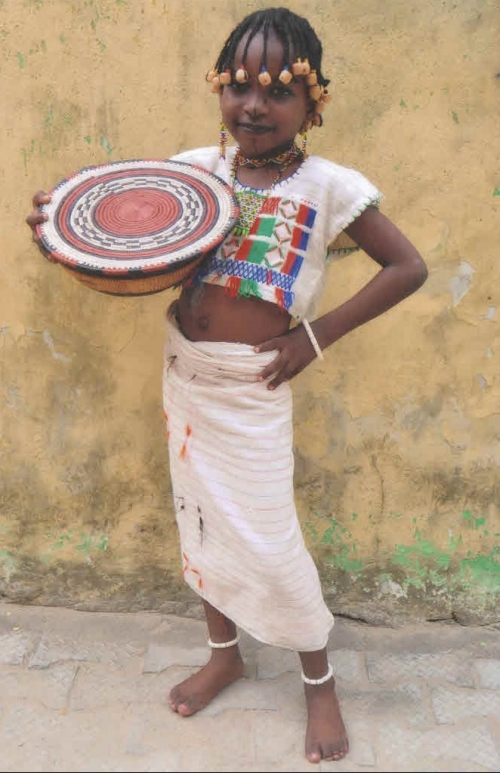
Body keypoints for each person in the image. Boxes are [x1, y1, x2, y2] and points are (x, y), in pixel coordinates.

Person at [26, 6, 428, 764]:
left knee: (271, 540)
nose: (254, 105)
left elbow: (408, 267)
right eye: (239, 85)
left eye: (279, 91)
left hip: (254, 387)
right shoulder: (192, 170)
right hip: (186, 373)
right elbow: (124, 226)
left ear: (314, 103)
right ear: (219, 89)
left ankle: (319, 682)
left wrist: (313, 338)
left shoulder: (330, 187)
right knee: (201, 521)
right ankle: (225, 656)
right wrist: (62, 225)